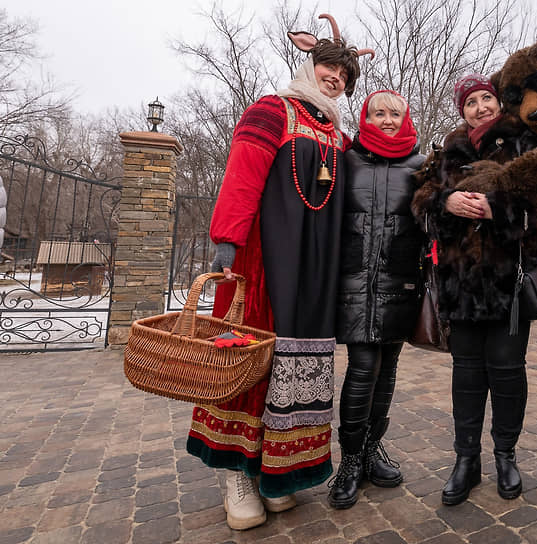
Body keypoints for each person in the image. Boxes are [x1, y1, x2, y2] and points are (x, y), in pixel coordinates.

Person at [185, 15, 371, 531]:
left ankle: (277, 469)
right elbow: (242, 171)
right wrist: (227, 238)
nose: (336, 80)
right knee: (252, 358)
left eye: (344, 78)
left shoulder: (339, 133)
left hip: (317, 268)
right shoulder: (272, 110)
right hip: (266, 259)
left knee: (299, 362)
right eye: (330, 70)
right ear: (310, 65)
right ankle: (236, 472)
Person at [411, 74, 537, 505]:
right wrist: (446, 204)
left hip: (507, 285)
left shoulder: (525, 145)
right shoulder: (449, 153)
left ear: (499, 103)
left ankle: (505, 456)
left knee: (508, 371)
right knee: (467, 375)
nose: (480, 107)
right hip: (459, 286)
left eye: (486, 99)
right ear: (462, 110)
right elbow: (420, 202)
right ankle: (466, 460)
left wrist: (498, 209)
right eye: (471, 102)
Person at [329, 90, 425, 509]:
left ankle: (372, 450)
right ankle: (349, 461)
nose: (387, 119)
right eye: (378, 112)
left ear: (406, 119)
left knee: (387, 370)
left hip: (400, 284)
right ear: (365, 116)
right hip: (353, 282)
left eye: (395, 113)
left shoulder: (422, 166)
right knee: (364, 366)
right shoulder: (344, 159)